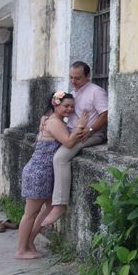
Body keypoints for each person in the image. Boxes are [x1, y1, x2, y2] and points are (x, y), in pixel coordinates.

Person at [15, 92, 87, 260]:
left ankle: (29, 242)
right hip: (38, 172)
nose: (69, 109)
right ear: (56, 105)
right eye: (65, 106)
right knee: (30, 213)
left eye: (71, 106)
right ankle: (21, 250)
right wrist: (81, 126)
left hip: (45, 172)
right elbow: (69, 142)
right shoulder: (54, 122)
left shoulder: (53, 119)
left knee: (48, 207)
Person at [41, 61, 108, 226]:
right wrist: (46, 116)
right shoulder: (73, 93)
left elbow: (106, 114)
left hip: (91, 135)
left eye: (77, 78)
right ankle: (49, 199)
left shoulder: (96, 92)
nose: (73, 81)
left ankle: (60, 204)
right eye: (71, 77)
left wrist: (90, 130)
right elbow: (62, 110)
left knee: (60, 158)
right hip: (72, 133)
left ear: (87, 76)